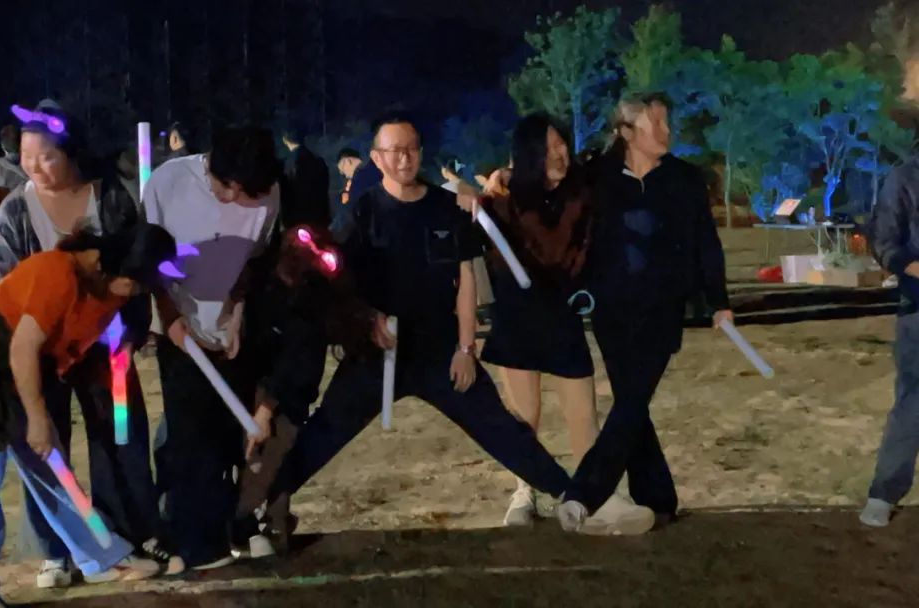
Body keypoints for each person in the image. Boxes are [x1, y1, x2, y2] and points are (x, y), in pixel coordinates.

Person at [261, 115, 575, 550]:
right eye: (394, 151)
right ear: (377, 158)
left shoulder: (446, 208)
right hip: (377, 351)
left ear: (420, 153)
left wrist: (465, 347)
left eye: (410, 149)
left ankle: (571, 495)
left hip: (440, 350)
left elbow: (465, 280)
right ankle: (268, 507)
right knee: (327, 429)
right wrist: (365, 319)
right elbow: (337, 283)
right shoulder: (361, 213)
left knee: (498, 425)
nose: (404, 158)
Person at [0, 99, 181, 586]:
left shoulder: (111, 198)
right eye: (26, 157)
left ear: (72, 153)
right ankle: (58, 548)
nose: (35, 167)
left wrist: (131, 332)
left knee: (119, 435)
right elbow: (4, 283)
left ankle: (129, 532)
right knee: (46, 443)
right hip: (45, 351)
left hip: (108, 345)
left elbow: (137, 267)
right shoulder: (14, 210)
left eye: (47, 156)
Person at [0, 225, 176, 608]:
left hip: (26, 365)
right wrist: (37, 419)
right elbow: (23, 349)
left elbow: (68, 350)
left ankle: (102, 554)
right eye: (134, 283)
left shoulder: (110, 291)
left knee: (53, 467)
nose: (135, 293)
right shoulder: (57, 272)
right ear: (110, 265)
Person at [461, 114, 652, 532]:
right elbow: (467, 226)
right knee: (522, 419)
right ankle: (524, 493)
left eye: (561, 143)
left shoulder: (583, 193)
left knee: (584, 416)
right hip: (517, 319)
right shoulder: (503, 201)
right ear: (529, 154)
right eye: (547, 148)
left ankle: (593, 497)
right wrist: (469, 195)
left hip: (562, 317)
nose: (558, 154)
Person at [555, 93, 731, 532]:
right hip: (611, 310)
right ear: (627, 132)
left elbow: (706, 243)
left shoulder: (684, 180)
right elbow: (559, 213)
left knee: (632, 401)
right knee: (632, 406)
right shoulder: (595, 177)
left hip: (663, 309)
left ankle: (583, 494)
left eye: (667, 123)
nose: (667, 132)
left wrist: (718, 300)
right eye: (657, 124)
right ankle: (658, 499)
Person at [143, 125, 282, 570]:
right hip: (180, 329)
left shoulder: (268, 195)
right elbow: (150, 261)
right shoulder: (167, 183)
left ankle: (230, 526)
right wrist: (171, 320)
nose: (232, 199)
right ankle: (190, 542)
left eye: (244, 194)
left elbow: (253, 261)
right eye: (225, 188)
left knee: (227, 435)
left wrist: (237, 310)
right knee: (188, 434)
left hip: (229, 331)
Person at [232, 224, 374, 555]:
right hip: (254, 382)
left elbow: (297, 361)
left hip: (289, 394)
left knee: (273, 455)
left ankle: (267, 522)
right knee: (258, 459)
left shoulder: (312, 304)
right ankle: (245, 522)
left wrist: (266, 409)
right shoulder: (262, 281)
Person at [860, 89, 919, 528]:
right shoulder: (904, 179)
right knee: (913, 403)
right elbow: (885, 243)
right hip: (918, 310)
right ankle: (884, 493)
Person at [280, 128, 331, 228]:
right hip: (318, 218)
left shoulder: (288, 163)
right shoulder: (318, 161)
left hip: (296, 219)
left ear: (285, 140)